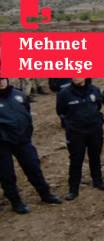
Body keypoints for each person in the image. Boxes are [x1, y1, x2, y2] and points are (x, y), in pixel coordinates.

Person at [0, 77, 62, 213]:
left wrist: (27, 132)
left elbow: (26, 113)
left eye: (3, 78)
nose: (1, 81)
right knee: (6, 174)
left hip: (22, 140)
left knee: (33, 167)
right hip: (2, 144)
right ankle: (16, 202)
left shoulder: (19, 94)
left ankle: (46, 194)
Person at [57, 78, 104, 201]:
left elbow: (98, 106)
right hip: (76, 133)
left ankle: (98, 181)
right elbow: (60, 111)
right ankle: (73, 189)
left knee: (95, 156)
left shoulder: (94, 90)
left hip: (94, 129)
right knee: (76, 159)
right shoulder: (64, 93)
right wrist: (69, 125)